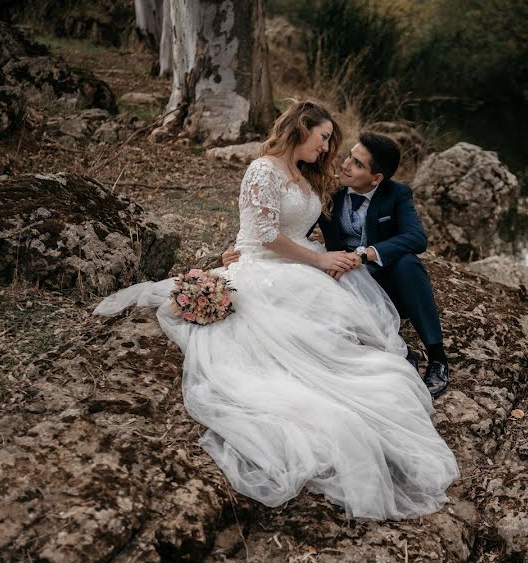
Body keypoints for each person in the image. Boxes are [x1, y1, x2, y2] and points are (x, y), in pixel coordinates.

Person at [93, 100, 459, 520]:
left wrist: (306, 251)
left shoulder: (307, 176)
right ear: (302, 129)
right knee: (300, 333)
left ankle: (425, 354)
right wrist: (251, 248)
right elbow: (263, 230)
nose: (329, 152)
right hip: (271, 268)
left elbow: (279, 225)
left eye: (338, 149)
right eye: (324, 139)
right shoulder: (263, 169)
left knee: (351, 307)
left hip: (309, 262)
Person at [222, 131, 450, 397]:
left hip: (385, 284)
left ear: (376, 178)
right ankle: (384, 351)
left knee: (408, 264)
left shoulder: (397, 194)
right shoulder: (330, 190)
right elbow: (291, 228)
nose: (345, 165)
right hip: (342, 283)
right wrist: (242, 249)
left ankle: (437, 357)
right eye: (349, 157)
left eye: (357, 164)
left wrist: (365, 255)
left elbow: (416, 237)